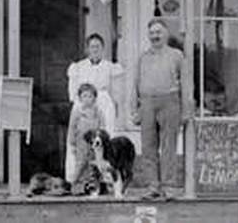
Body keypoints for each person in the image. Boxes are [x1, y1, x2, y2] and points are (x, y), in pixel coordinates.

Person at [132, 18, 191, 200]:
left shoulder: (177, 55)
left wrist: (186, 109)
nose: (154, 36)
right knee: (148, 146)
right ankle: (153, 186)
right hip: (147, 103)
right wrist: (135, 109)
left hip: (170, 101)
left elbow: (187, 85)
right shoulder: (143, 57)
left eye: (158, 32)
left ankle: (169, 187)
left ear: (166, 34)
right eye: (151, 33)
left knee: (168, 146)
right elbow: (136, 83)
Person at [65, 33, 123, 180]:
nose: (95, 49)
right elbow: (73, 93)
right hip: (84, 104)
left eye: (98, 46)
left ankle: (106, 178)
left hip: (103, 103)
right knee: (82, 142)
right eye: (92, 46)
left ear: (103, 48)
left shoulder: (110, 67)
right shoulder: (78, 67)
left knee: (104, 139)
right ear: (87, 49)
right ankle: (77, 178)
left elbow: (116, 92)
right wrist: (79, 106)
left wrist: (115, 108)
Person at [65, 83, 104, 192]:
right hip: (81, 142)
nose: (87, 99)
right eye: (84, 96)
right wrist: (71, 143)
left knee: (93, 164)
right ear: (80, 98)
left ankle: (93, 186)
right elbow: (72, 128)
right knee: (81, 163)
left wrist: (100, 139)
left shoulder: (98, 112)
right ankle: (76, 185)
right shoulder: (77, 112)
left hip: (94, 143)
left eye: (90, 96)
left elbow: (102, 127)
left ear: (95, 98)